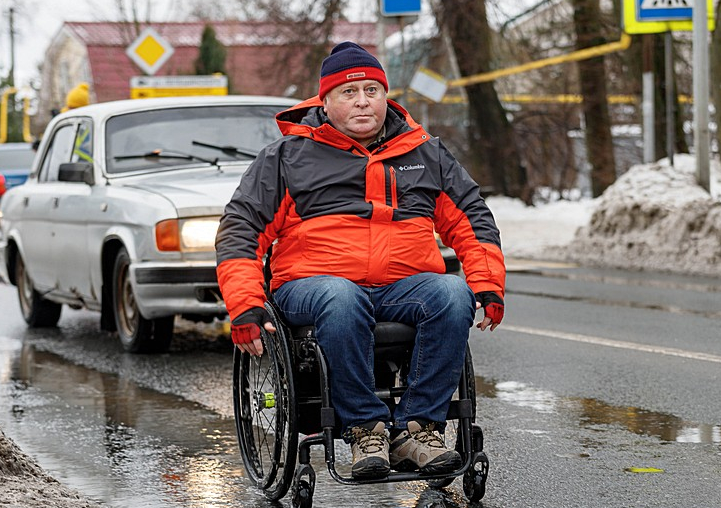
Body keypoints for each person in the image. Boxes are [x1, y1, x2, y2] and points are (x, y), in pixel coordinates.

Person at [216, 41, 505, 480]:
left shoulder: (424, 152)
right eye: (349, 93)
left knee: (451, 291)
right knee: (341, 295)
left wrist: (487, 284)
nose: (362, 101)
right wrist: (244, 303)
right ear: (326, 102)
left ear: (386, 96)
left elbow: (471, 217)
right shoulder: (287, 157)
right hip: (312, 285)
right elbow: (242, 229)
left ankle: (418, 428)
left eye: (372, 90)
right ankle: (364, 429)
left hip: (401, 285)